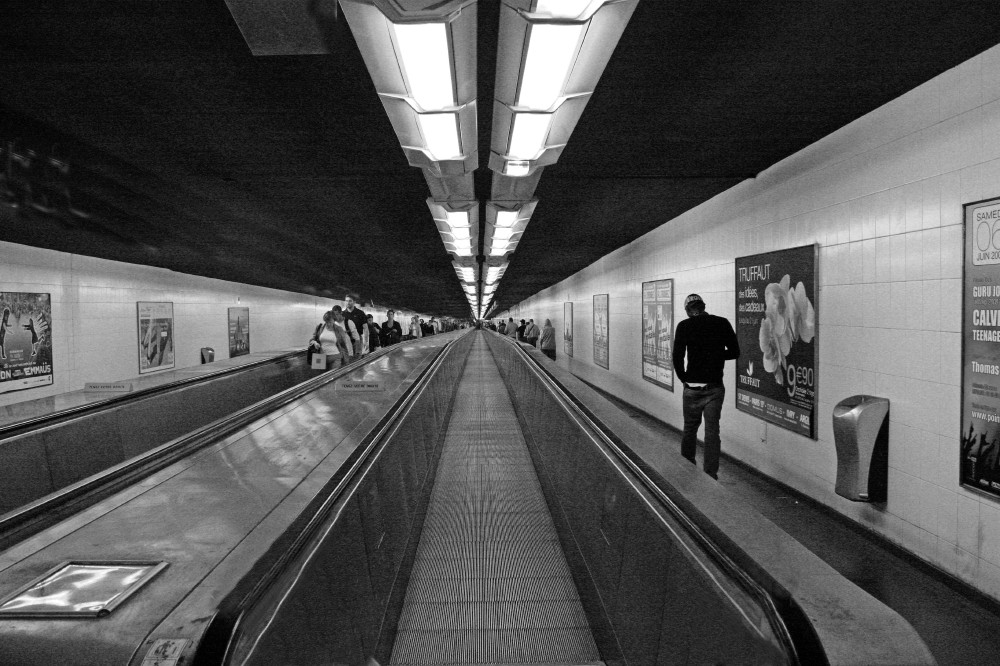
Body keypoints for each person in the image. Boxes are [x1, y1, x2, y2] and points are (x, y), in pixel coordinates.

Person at [672, 294, 740, 480]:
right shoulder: (721, 323)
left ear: (687, 310)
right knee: (712, 432)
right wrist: (716, 355)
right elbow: (735, 352)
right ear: (704, 306)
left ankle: (687, 467)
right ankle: (710, 474)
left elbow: (677, 357)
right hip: (714, 388)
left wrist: (684, 379)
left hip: (692, 388)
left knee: (689, 429)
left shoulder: (684, 326)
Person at [343, 296, 367, 360]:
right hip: (347, 339)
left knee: (357, 358)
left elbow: (366, 328)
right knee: (348, 359)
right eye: (346, 301)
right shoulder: (343, 314)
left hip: (358, 339)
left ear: (354, 302)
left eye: (350, 301)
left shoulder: (360, 313)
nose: (348, 302)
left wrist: (366, 342)